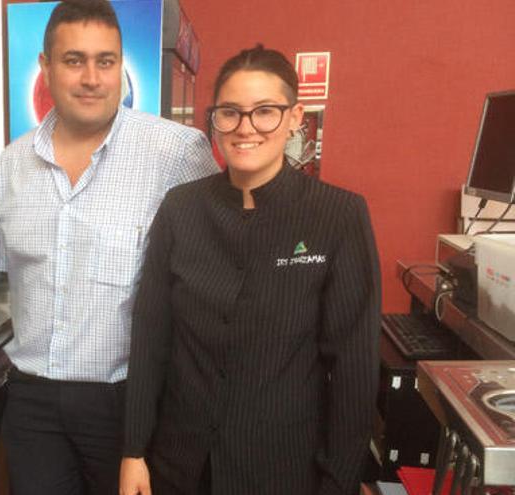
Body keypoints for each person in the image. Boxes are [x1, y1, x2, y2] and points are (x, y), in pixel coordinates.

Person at [120, 45, 381, 495]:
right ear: (214, 119)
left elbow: (353, 368)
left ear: (296, 117)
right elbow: (150, 337)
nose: (245, 129)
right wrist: (133, 450)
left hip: (283, 467)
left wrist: (340, 481)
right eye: (230, 113)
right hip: (180, 462)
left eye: (265, 112)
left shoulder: (337, 215)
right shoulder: (182, 209)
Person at [0, 0, 219, 493]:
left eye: (105, 61)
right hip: (32, 404)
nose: (91, 77)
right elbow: (3, 271)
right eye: (74, 60)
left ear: (119, 66)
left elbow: (218, 274)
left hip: (130, 405)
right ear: (46, 69)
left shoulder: (176, 153)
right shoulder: (10, 166)